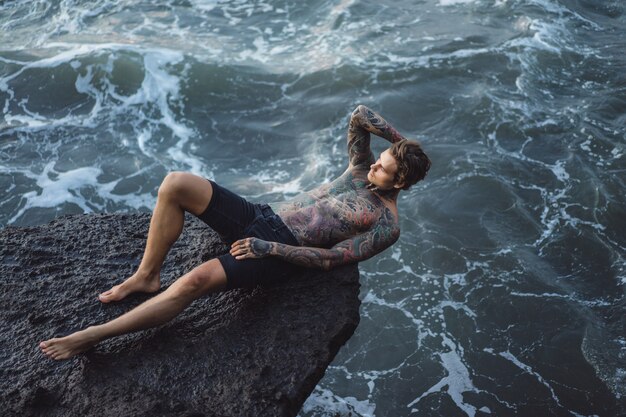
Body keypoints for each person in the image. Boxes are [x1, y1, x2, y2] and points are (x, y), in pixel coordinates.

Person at [39, 105, 431, 360]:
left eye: (385, 170)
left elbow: (332, 259)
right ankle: (146, 275)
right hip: (258, 215)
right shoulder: (362, 168)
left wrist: (270, 249)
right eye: (379, 160)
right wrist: (401, 146)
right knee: (176, 183)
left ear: (400, 185)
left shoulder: (385, 224)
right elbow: (359, 114)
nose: (375, 168)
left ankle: (92, 336)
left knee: (194, 281)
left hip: (278, 251)